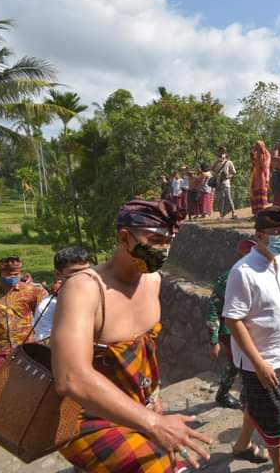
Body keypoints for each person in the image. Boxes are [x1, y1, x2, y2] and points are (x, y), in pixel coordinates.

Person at [52, 199, 212, 472]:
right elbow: (71, 378)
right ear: (124, 237)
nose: (164, 249)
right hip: (85, 414)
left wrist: (154, 402)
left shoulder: (153, 281)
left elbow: (146, 354)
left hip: (136, 407)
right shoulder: (84, 289)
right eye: (155, 240)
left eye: (168, 241)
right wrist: (154, 423)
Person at [223, 207, 280, 473]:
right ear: (259, 236)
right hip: (263, 361)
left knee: (260, 406)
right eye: (275, 233)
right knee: (277, 421)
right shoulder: (243, 272)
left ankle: (241, 445)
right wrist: (258, 364)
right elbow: (232, 320)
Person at [207, 239, 257, 410]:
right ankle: (236, 397)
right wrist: (214, 340)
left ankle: (234, 395)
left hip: (249, 328)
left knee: (241, 362)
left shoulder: (257, 275)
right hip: (230, 330)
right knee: (239, 363)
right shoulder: (229, 278)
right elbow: (214, 306)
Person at [33, 246, 91, 342]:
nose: (83, 276)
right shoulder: (47, 307)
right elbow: (44, 342)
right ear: (58, 275)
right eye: (75, 272)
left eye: (87, 270)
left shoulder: (103, 294)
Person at [212, 147, 238, 220]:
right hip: (218, 183)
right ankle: (221, 215)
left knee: (228, 198)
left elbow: (234, 172)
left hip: (226, 183)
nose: (221, 153)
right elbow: (212, 169)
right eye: (220, 152)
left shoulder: (229, 162)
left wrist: (228, 176)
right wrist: (216, 162)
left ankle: (233, 213)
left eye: (223, 152)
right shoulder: (216, 162)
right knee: (220, 199)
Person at [250, 141, 271, 215]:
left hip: (262, 176)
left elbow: (266, 165)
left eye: (258, 145)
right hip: (255, 176)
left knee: (262, 192)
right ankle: (256, 213)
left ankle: (262, 212)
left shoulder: (266, 154)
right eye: (256, 145)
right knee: (255, 193)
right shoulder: (255, 154)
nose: (256, 147)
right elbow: (253, 165)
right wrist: (253, 159)